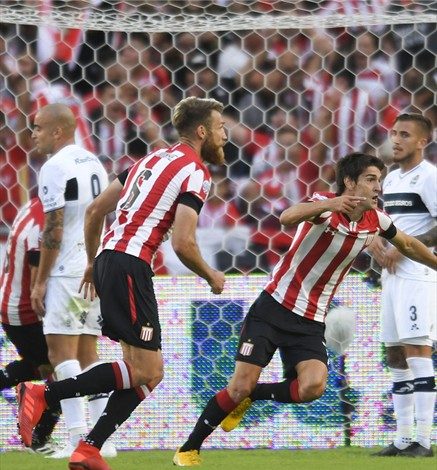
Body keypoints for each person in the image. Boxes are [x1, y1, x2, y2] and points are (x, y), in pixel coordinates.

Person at [171, 152, 437, 466]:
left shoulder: (376, 220)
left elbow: (407, 244)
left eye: (379, 179)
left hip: (310, 320)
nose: (377, 186)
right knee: (239, 384)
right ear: (349, 182)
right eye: (370, 178)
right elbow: (287, 217)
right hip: (273, 308)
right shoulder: (323, 207)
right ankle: (189, 448)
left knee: (313, 386)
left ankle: (254, 397)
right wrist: (329, 204)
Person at [16, 96, 227, 470]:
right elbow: (182, 242)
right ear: (201, 131)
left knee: (145, 371)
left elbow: (98, 209)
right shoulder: (195, 171)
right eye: (220, 127)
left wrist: (94, 261)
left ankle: (89, 448)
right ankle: (45, 393)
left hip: (110, 261)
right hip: (131, 265)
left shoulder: (150, 159)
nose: (225, 135)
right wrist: (211, 275)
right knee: (147, 371)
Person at [28, 103, 115, 459]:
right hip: (92, 266)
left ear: (57, 131)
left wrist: (40, 281)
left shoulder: (54, 167)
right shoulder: (94, 162)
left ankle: (79, 436)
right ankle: (102, 440)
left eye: (37, 128)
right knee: (87, 353)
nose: (33, 134)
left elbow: (54, 228)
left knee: (61, 353)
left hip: (66, 271)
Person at [369, 113, 436, 457]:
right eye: (393, 133)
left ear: (423, 141)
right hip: (392, 275)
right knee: (394, 353)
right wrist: (378, 243)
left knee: (417, 350)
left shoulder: (430, 177)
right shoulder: (392, 179)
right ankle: (402, 437)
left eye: (405, 135)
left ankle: (424, 440)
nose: (396, 140)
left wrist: (405, 246)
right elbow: (389, 226)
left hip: (418, 274)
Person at [0, 197, 61, 454]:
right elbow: (39, 283)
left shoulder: (35, 206)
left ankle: (37, 436)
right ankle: (39, 439)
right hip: (23, 310)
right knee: (63, 366)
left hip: (11, 303)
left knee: (40, 366)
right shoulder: (44, 224)